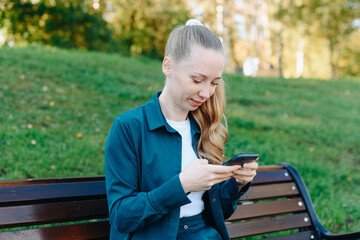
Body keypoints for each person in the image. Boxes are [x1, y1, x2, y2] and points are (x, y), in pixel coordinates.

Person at [105, 19, 258, 240]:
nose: (206, 93)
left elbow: (218, 213)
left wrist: (237, 184)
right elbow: (121, 217)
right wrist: (182, 185)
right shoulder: (129, 127)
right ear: (168, 66)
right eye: (197, 80)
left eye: (214, 83)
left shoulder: (204, 128)